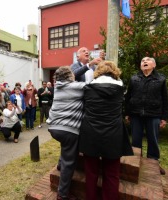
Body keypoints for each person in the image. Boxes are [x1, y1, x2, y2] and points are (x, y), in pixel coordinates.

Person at [79, 61, 133, 200]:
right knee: (112, 173)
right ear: (115, 71)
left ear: (98, 72)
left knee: (91, 172)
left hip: (91, 131)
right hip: (113, 132)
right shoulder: (121, 87)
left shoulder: (88, 87)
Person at [46, 66, 85, 200]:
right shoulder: (77, 87)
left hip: (53, 127)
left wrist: (88, 65)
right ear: (71, 77)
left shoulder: (57, 87)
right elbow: (95, 87)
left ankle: (59, 164)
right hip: (68, 130)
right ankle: (62, 195)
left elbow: (70, 75)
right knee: (70, 162)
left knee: (66, 145)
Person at [125, 57, 168, 175]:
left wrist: (164, 117)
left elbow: (165, 99)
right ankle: (134, 163)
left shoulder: (160, 79)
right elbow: (128, 97)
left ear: (154, 65)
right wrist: (127, 113)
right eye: (142, 60)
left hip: (154, 114)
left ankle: (153, 163)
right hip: (136, 114)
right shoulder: (134, 79)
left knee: (153, 140)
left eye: (148, 60)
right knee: (135, 140)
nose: (144, 61)